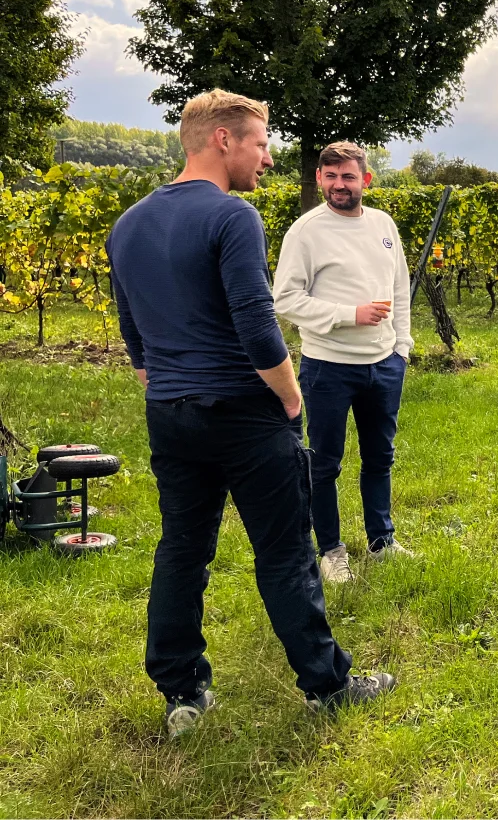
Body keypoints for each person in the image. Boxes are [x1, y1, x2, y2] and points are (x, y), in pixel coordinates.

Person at [107, 90, 394, 738]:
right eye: (261, 143)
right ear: (223, 140)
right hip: (245, 414)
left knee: (182, 549)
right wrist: (290, 398)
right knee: (285, 553)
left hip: (170, 415)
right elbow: (258, 327)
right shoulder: (232, 217)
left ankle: (183, 693)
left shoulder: (125, 226)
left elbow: (135, 341)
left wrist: (173, 383)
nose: (267, 157)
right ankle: (327, 685)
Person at [273, 141, 414, 583]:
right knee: (325, 463)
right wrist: (347, 316)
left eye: (348, 176)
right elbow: (286, 299)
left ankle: (381, 541)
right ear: (319, 179)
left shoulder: (383, 225)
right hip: (329, 366)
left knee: (380, 457)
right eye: (330, 176)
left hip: (383, 364)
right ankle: (331, 550)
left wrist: (401, 348)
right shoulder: (306, 231)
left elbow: (400, 289)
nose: (339, 185)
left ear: (365, 180)